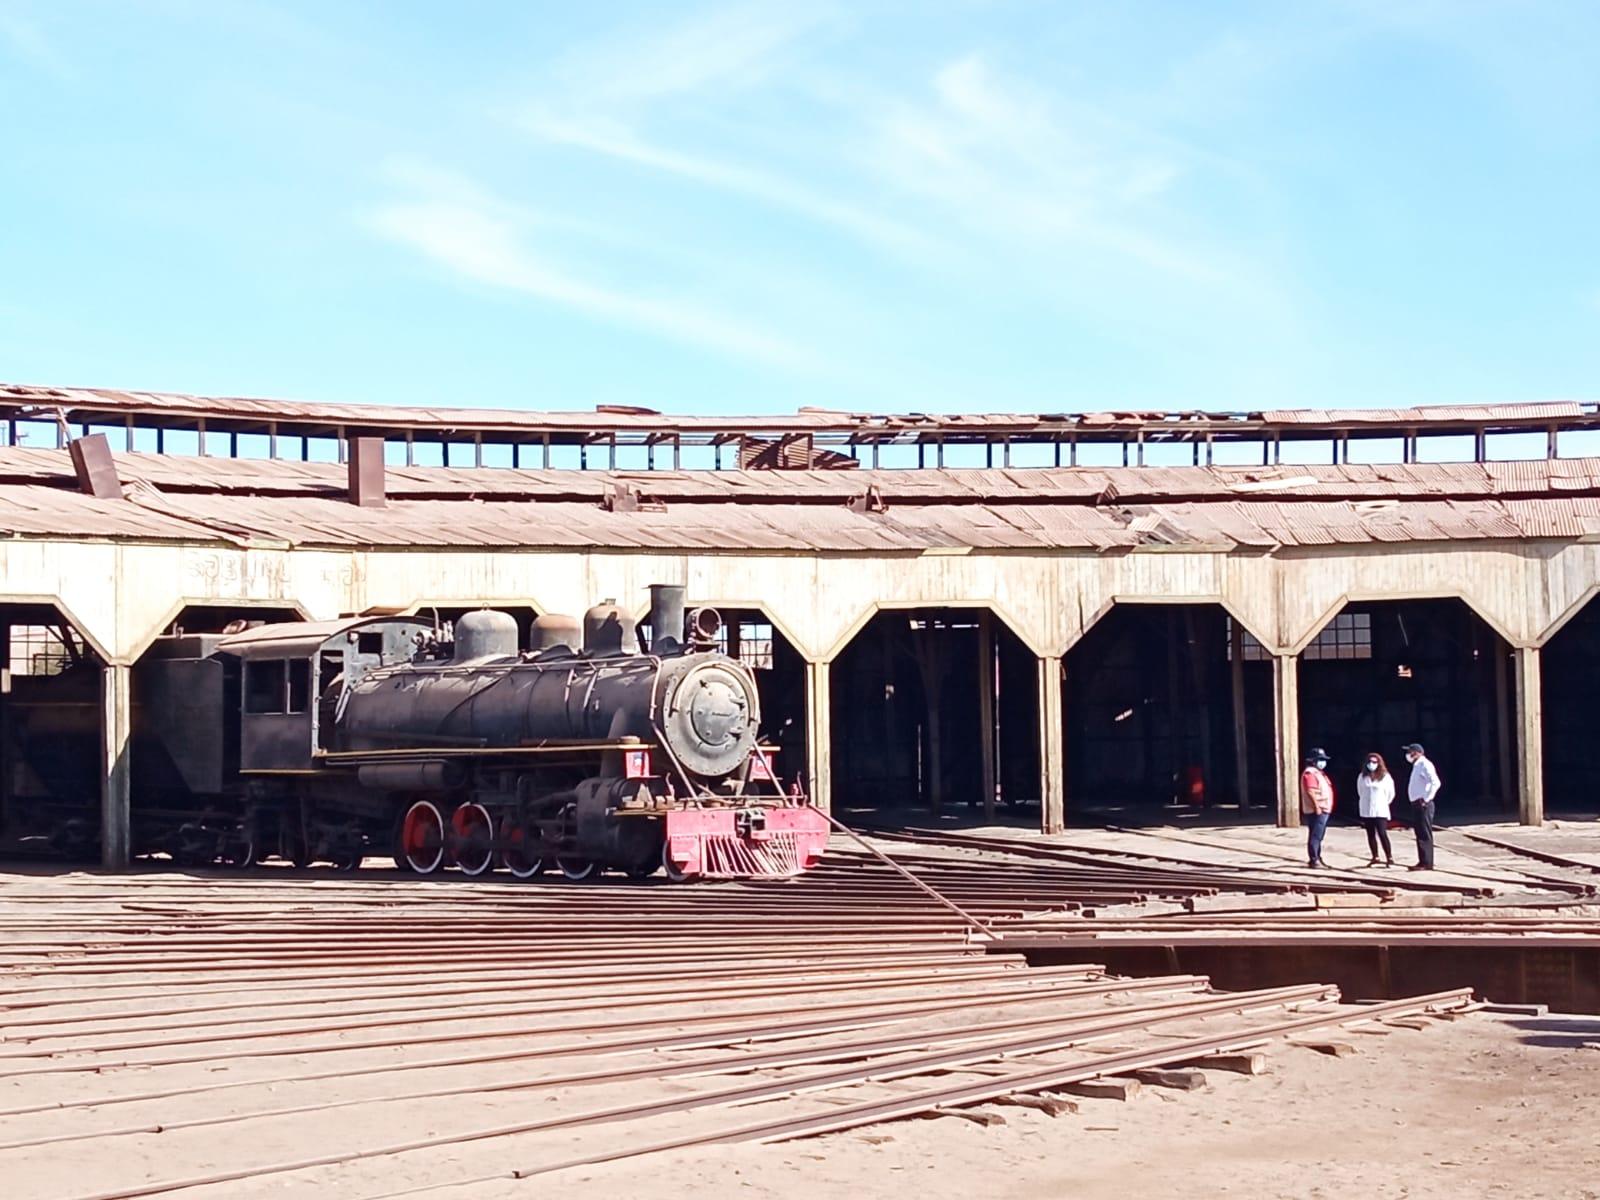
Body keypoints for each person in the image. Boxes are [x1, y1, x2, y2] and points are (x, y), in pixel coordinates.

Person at [1402, 742, 1442, 871]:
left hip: (1423, 803)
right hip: (1417, 803)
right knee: (1419, 832)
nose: (1408, 755)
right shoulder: (1417, 765)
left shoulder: (1424, 764)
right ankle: (1423, 860)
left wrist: (1426, 798)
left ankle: (1427, 862)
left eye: (1410, 752)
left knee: (1424, 833)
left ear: (1417, 753)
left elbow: (1435, 782)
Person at [1356, 752, 1396, 867]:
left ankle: (1389, 857)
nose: (1371, 764)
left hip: (1380, 810)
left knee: (1382, 833)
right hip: (1367, 810)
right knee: (1370, 834)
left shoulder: (1385, 777)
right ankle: (1375, 856)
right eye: (1369, 762)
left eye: (1374, 762)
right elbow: (1360, 791)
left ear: (1379, 763)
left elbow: (1390, 793)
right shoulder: (1362, 776)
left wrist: (1383, 803)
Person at [1300, 748, 1334, 868]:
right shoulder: (1310, 773)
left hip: (1323, 808)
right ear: (1313, 761)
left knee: (1318, 835)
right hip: (1318, 809)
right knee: (1316, 835)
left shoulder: (1318, 773)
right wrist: (1317, 807)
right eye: (1320, 760)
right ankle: (1314, 859)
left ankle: (1317, 857)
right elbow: (1311, 791)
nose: (1322, 762)